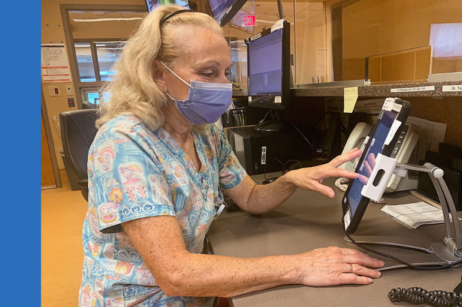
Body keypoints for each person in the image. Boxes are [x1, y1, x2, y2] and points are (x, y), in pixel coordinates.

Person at [79, 5, 384, 307]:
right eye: (208, 72)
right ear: (159, 73)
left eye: (226, 72)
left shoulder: (205, 133)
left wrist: (291, 179)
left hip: (196, 295)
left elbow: (250, 197)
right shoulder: (124, 143)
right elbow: (175, 274)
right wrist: (301, 266)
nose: (224, 85)